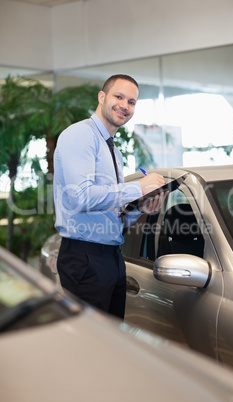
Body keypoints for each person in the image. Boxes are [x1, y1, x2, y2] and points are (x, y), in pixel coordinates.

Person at [53, 74, 166, 319]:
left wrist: (140, 208)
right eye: (119, 96)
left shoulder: (112, 150)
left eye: (132, 102)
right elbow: (80, 197)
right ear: (102, 97)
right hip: (85, 257)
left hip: (111, 256)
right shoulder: (80, 135)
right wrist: (139, 187)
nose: (125, 106)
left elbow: (112, 213)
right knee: (91, 346)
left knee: (112, 343)